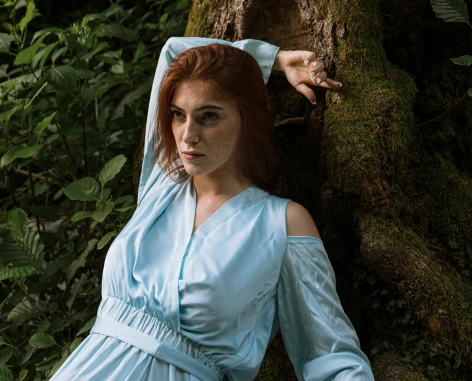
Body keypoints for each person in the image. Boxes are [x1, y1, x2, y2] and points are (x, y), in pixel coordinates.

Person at [50, 36, 375, 381]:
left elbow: (330, 355)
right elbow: (175, 50)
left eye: (209, 116)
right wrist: (276, 60)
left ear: (247, 119)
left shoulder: (282, 223)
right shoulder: (164, 183)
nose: (188, 135)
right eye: (178, 115)